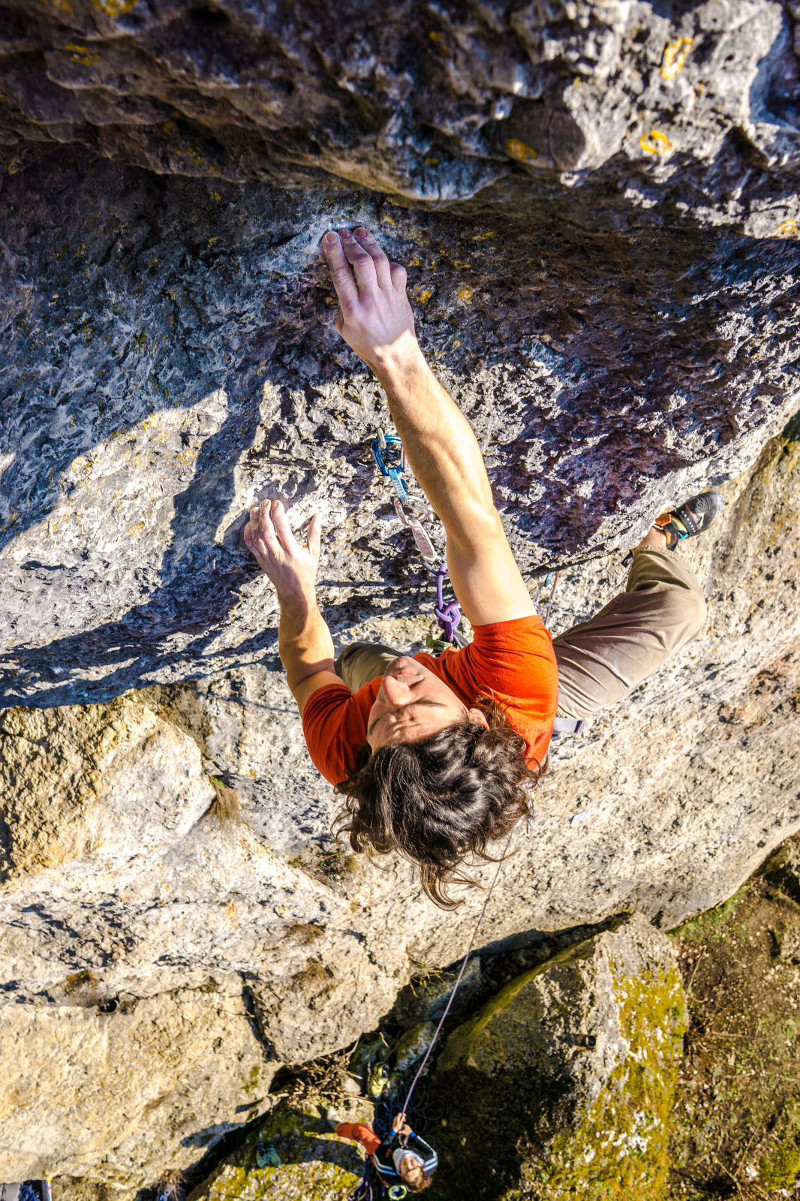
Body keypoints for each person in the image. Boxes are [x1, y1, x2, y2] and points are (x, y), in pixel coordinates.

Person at [243, 227, 723, 905]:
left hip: (444, 707)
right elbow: (470, 516)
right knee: (681, 611)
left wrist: (297, 593)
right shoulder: (520, 694)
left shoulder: (351, 752)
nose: (397, 689)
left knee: (355, 662)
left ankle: (370, 656)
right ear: (474, 721)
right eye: (419, 703)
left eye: (384, 716)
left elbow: (309, 672)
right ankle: (657, 542)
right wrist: (396, 355)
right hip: (517, 698)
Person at [336, 1111, 437, 1193]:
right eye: (414, 1166)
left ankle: (339, 1128)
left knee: (362, 1130)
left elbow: (378, 1153)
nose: (408, 1164)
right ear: (421, 1166)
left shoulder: (386, 1170)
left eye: (407, 1171)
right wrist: (410, 1134)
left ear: (402, 1176)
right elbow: (428, 1150)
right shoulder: (431, 1159)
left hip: (387, 1158)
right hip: (401, 1150)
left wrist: (394, 1130)